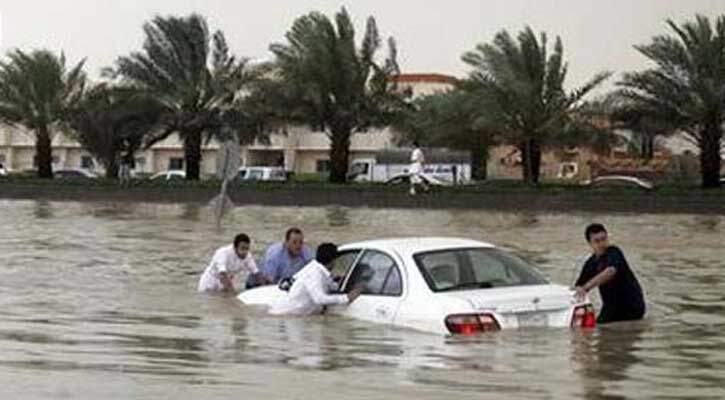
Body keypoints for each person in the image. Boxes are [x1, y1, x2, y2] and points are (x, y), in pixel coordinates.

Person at [574, 224, 646, 324]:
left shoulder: (614, 252)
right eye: (597, 241)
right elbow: (578, 287)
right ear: (590, 243)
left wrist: (586, 287)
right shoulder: (590, 263)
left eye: (604, 239)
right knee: (595, 328)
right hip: (610, 308)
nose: (602, 244)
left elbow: (610, 271)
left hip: (631, 307)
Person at [270, 243, 363, 316]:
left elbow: (332, 286)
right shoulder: (314, 274)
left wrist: (343, 280)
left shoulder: (317, 269)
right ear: (333, 261)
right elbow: (319, 299)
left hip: (293, 315)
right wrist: (346, 298)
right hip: (288, 316)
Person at [198, 234, 268, 293]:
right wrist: (233, 293)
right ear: (235, 248)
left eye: (247, 248)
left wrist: (266, 289)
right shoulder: (223, 253)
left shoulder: (248, 256)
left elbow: (257, 274)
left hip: (226, 281)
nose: (245, 252)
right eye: (242, 248)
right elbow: (222, 275)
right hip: (210, 280)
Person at [246, 227, 313, 288]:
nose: (298, 246)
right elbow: (267, 281)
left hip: (281, 284)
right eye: (294, 242)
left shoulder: (305, 251)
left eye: (301, 242)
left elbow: (312, 270)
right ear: (286, 242)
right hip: (257, 284)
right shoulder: (275, 255)